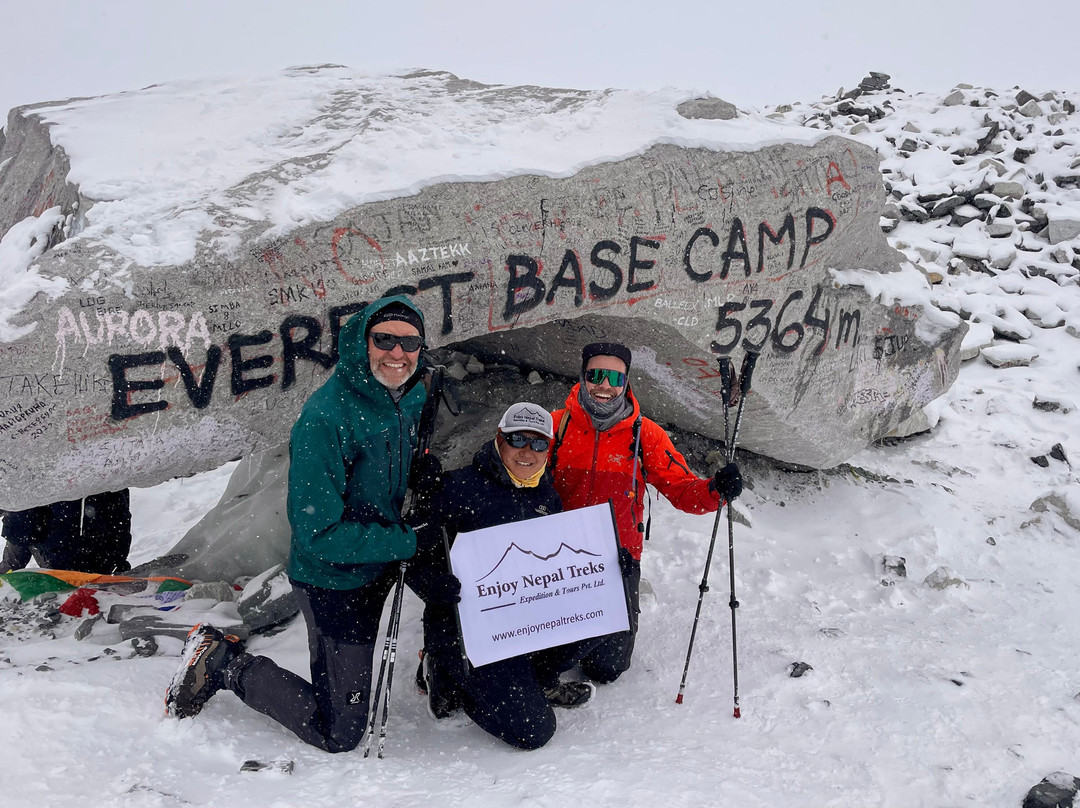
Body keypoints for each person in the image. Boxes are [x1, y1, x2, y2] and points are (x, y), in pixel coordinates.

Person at [164, 295, 451, 754]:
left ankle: (447, 673)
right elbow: (320, 534)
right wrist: (401, 541)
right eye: (385, 340)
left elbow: (398, 456)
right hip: (334, 581)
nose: (398, 353)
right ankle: (224, 664)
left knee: (448, 588)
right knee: (339, 732)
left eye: (410, 342)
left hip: (380, 561)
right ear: (362, 342)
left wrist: (423, 468)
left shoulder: (410, 393)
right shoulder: (326, 417)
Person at [549, 342, 743, 684]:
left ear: (626, 382)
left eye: (614, 377)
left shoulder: (645, 435)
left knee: (606, 668)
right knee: (545, 648)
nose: (604, 386)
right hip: (556, 558)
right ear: (582, 376)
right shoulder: (556, 426)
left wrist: (716, 490)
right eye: (596, 375)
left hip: (616, 559)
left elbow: (684, 492)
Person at [411, 402, 597, 750]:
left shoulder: (547, 496)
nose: (528, 451)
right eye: (517, 440)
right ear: (499, 439)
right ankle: (446, 671)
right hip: (467, 628)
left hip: (519, 620)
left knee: (607, 612)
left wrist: (601, 563)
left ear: (549, 449)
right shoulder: (457, 488)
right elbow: (409, 551)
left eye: (539, 444)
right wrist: (430, 584)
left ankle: (537, 677)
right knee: (534, 731)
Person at [0, 490, 132, 575]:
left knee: (24, 524)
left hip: (62, 566)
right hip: (107, 562)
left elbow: (21, 533)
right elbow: (122, 518)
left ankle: (6, 573)